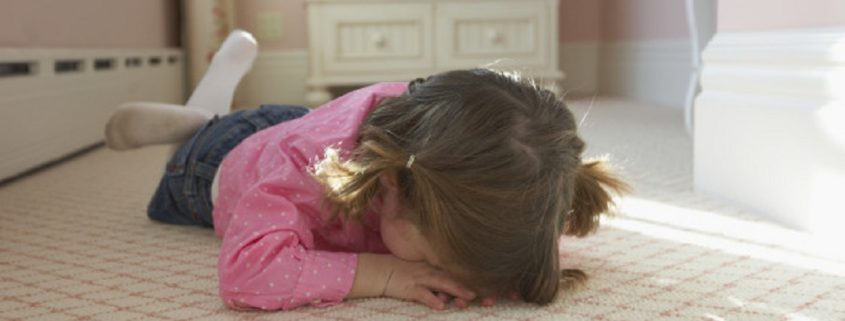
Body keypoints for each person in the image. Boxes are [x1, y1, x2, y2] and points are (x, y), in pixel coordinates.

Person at [104, 30, 628, 311]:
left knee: (284, 126)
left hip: (311, 127)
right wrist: (385, 273)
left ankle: (220, 115)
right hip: (217, 165)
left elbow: (508, 213)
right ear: (393, 186)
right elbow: (246, 275)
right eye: (431, 255)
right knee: (198, 149)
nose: (434, 269)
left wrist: (504, 264)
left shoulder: (477, 158)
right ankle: (195, 123)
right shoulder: (299, 171)